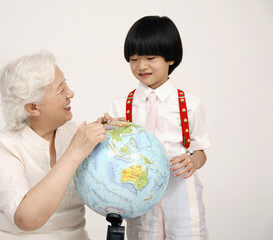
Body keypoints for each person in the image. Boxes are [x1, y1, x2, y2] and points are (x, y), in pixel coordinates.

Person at [103, 16, 211, 239]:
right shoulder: (120, 105)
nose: (141, 66)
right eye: (133, 59)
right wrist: (106, 131)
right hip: (140, 194)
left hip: (181, 192)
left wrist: (193, 161)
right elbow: (112, 156)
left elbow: (200, 152)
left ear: (170, 58)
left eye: (150, 57)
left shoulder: (190, 105)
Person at [0, 50, 106, 240]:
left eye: (67, 85)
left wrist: (113, 139)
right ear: (33, 107)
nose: (70, 93)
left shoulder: (72, 132)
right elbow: (27, 219)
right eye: (61, 89)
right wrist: (75, 152)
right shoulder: (3, 147)